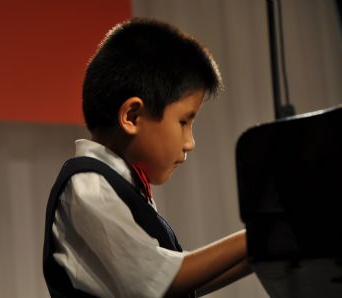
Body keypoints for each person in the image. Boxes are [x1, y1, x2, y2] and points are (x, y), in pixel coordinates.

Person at [43, 17, 252, 298]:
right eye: (184, 121)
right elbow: (158, 280)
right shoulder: (89, 186)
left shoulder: (122, 185)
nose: (190, 142)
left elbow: (176, 283)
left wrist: (264, 250)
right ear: (132, 116)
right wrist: (257, 236)